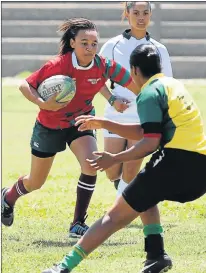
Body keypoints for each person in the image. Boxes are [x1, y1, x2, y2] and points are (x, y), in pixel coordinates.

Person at [41, 44, 206, 273]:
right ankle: (156, 255)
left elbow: (149, 143)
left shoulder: (149, 93)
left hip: (175, 163)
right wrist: (105, 123)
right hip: (201, 168)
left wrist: (114, 158)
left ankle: (63, 267)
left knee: (113, 217)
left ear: (134, 70)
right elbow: (146, 131)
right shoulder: (172, 85)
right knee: (146, 192)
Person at [1, 18, 137, 238]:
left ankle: (77, 224)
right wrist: (43, 103)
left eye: (94, 44)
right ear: (72, 43)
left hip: (80, 121)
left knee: (92, 164)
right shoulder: (58, 65)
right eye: (84, 43)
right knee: (36, 182)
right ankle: (7, 198)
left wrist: (151, 100)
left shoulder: (102, 64)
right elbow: (25, 85)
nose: (90, 48)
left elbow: (131, 82)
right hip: (49, 126)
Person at [99, 1, 173, 195]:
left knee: (131, 171)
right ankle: (122, 190)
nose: (141, 17)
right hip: (115, 115)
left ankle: (119, 212)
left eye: (146, 13)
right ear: (127, 13)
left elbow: (167, 85)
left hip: (144, 117)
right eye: (136, 12)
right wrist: (111, 99)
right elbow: (96, 77)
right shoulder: (112, 46)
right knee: (112, 171)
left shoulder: (159, 49)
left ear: (150, 15)